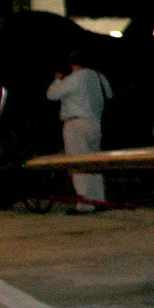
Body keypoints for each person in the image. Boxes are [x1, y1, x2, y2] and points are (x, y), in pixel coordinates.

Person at [46, 51, 112, 213]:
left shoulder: (75, 78)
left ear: (73, 64)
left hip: (76, 123)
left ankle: (84, 203)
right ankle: (98, 200)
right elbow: (109, 94)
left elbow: (52, 95)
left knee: (78, 162)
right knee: (94, 161)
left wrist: (57, 79)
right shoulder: (99, 76)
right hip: (94, 122)